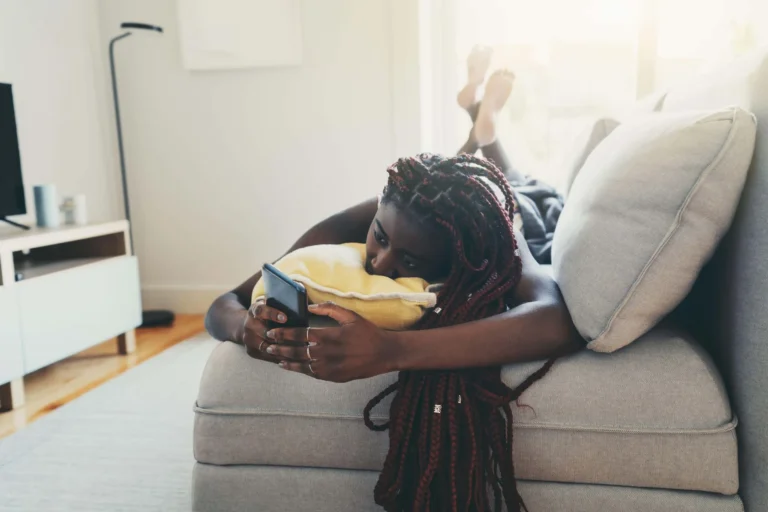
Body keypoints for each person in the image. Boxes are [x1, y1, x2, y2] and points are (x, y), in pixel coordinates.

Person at [205, 152, 583, 511]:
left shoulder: (492, 236)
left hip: (528, 211)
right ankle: (479, 136)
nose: (380, 264)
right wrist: (243, 327)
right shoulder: (381, 211)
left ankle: (485, 134)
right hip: (454, 188)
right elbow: (223, 303)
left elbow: (556, 322)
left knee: (520, 181)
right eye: (380, 238)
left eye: (411, 261)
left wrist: (390, 350)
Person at [457, 46, 565, 264]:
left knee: (437, 195)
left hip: (501, 217)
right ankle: (477, 118)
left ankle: (476, 125)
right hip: (504, 213)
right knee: (509, 180)